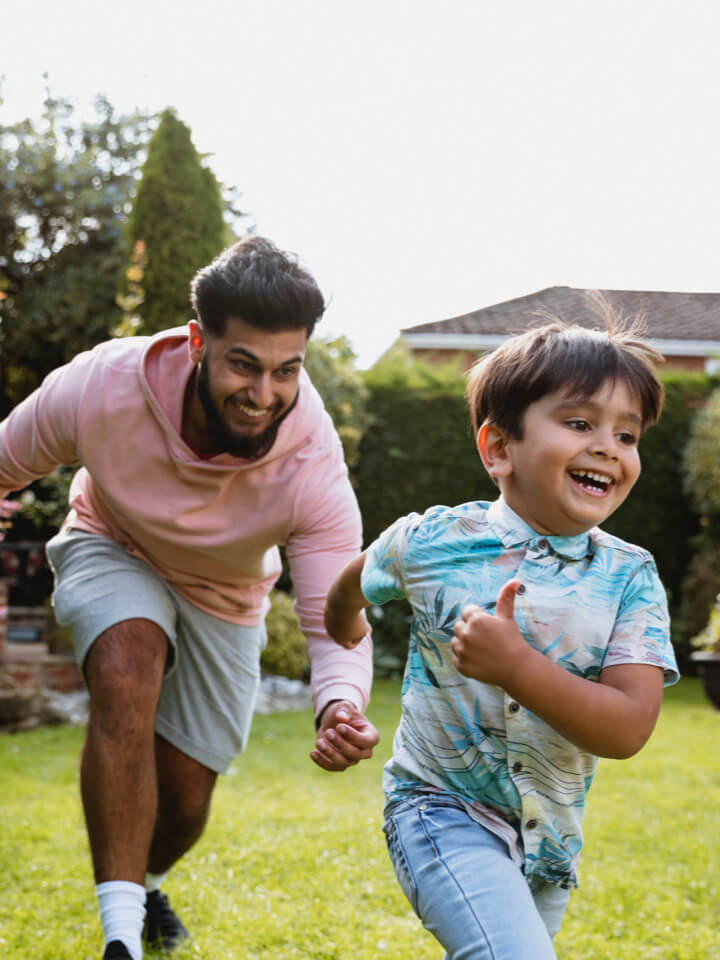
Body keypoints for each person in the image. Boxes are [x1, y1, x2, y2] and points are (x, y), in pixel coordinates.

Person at [0, 236, 378, 960]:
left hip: (228, 592)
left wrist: (340, 703)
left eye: (285, 371)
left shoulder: (312, 460)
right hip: (112, 541)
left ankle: (144, 884)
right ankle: (120, 941)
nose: (263, 393)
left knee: (185, 803)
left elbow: (336, 615)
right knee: (124, 667)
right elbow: (6, 459)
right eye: (243, 364)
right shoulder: (102, 386)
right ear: (198, 340)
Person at [324, 314, 679, 960]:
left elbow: (628, 727)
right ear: (499, 449)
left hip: (549, 842)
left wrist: (516, 665)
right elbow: (355, 580)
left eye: (627, 435)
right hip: (437, 809)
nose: (608, 446)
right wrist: (344, 627)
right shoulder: (433, 543)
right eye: (580, 423)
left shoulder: (631, 578)